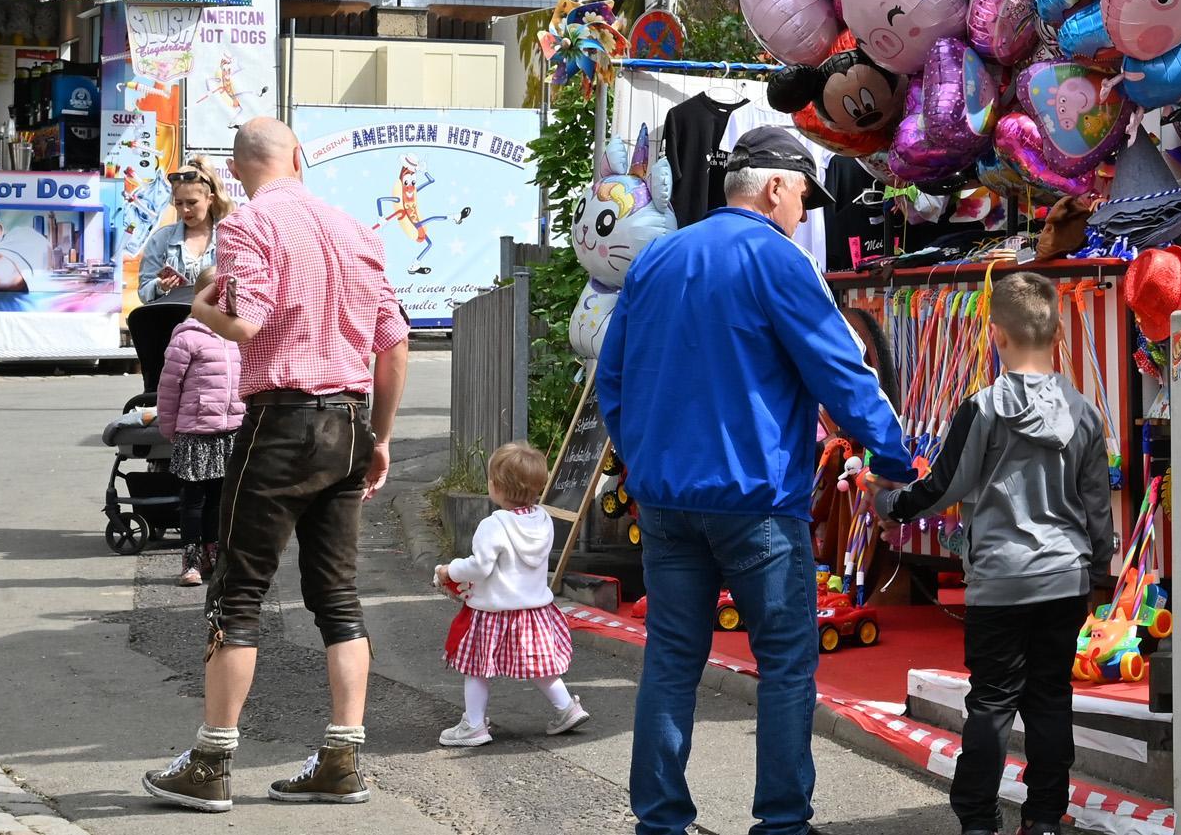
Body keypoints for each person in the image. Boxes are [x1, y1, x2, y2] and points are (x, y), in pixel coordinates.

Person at [597, 125, 914, 835]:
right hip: (756, 502)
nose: (804, 212)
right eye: (804, 196)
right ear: (776, 186)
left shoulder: (657, 259)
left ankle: (660, 822)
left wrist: (643, 460)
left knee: (673, 658)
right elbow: (844, 374)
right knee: (785, 662)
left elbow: (611, 378)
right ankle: (780, 823)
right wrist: (895, 459)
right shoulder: (779, 260)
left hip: (667, 497)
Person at [141, 117, 410, 814]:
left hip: (281, 420)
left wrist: (201, 311)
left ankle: (210, 759)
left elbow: (249, 321)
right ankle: (342, 756)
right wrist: (379, 435)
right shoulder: (355, 229)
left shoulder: (249, 224)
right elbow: (394, 343)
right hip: (350, 418)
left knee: (238, 591)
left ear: (237, 169)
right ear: (299, 156)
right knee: (338, 597)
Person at [870, 271, 1116, 835]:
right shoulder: (1083, 413)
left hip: (1001, 579)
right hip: (1064, 578)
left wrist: (892, 504)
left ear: (997, 336)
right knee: (1051, 699)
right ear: (1057, 335)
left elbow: (945, 485)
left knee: (991, 703)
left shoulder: (981, 408)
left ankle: (979, 820)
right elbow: (1096, 503)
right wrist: (1097, 563)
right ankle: (1046, 819)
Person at [434, 442, 590, 747]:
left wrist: (449, 571)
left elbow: (479, 567)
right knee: (540, 664)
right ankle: (566, 707)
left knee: (477, 668)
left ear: (496, 487)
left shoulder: (493, 525)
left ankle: (474, 725)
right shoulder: (543, 520)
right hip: (534, 610)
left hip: (493, 610)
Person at [154, 267, 242, 587]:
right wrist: (169, 426)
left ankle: (213, 552)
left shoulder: (236, 336)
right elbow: (169, 387)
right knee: (193, 500)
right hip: (195, 431)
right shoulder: (188, 337)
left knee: (219, 500)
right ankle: (190, 560)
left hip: (229, 430)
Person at [139, 158, 230, 305]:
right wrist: (160, 286)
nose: (185, 210)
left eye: (192, 202)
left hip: (214, 323)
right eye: (179, 203)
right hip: (172, 322)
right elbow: (144, 291)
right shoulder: (161, 239)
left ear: (210, 199)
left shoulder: (229, 237)